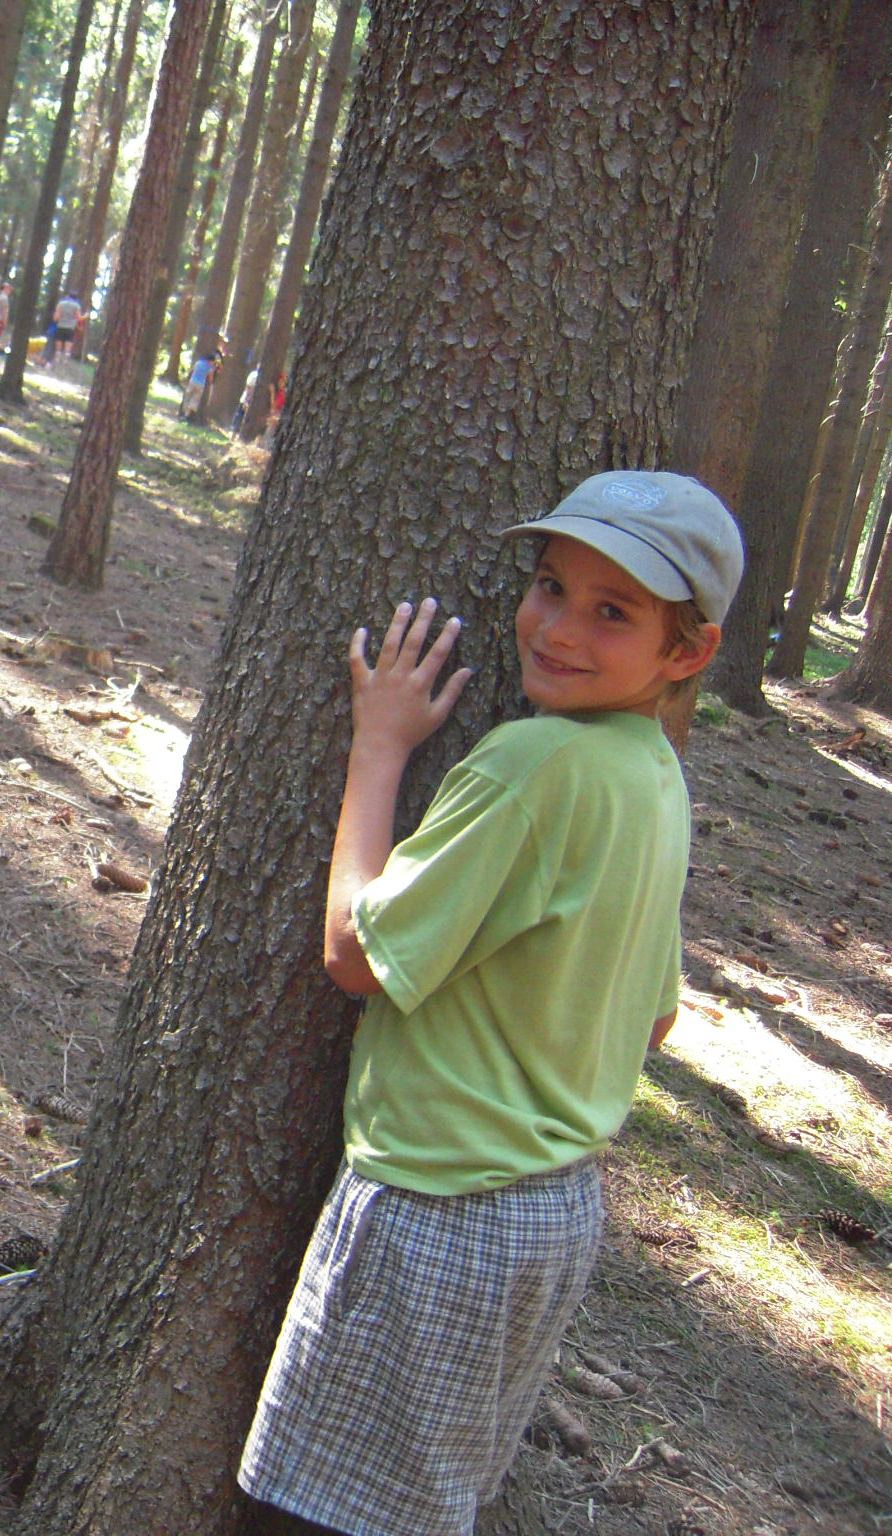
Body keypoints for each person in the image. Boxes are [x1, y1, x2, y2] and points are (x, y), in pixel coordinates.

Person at [238, 470, 745, 1536]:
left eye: (613, 612)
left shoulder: (530, 763)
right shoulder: (654, 778)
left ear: (687, 652)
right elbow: (655, 1018)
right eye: (551, 585)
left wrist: (378, 745)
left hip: (440, 1207)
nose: (557, 628)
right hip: (552, 1213)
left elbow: (353, 953)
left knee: (323, 1517)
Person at [180, 352, 217, 421]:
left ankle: (184, 411)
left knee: (187, 396)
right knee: (195, 400)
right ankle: (187, 415)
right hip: (200, 384)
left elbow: (192, 370)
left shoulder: (198, 363)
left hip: (192, 382)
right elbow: (210, 379)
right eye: (213, 362)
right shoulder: (210, 368)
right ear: (211, 361)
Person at [53, 292, 82, 359]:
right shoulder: (77, 306)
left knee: (58, 346)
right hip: (70, 328)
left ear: (68, 296)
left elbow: (56, 318)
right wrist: (85, 316)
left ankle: (57, 359)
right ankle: (65, 359)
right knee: (68, 347)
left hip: (60, 326)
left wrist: (58, 319)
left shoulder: (60, 304)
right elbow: (79, 318)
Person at [231, 365, 258, 436]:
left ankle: (236, 433)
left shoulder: (254, 374)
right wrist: (247, 400)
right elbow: (249, 387)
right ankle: (234, 433)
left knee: (241, 416)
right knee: (240, 415)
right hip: (247, 399)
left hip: (249, 399)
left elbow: (248, 386)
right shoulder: (254, 375)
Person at [0, 281, 12, 350]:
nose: (10, 291)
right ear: (5, 288)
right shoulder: (4, 298)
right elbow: (5, 312)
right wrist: (4, 323)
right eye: (9, 289)